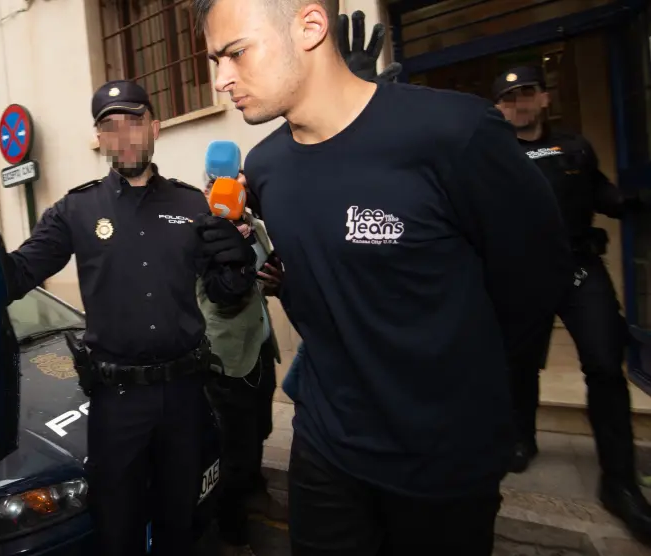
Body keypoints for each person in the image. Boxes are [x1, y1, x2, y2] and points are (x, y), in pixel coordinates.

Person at [195, 1, 574, 555]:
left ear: (310, 26)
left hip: (444, 460)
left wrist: (466, 399)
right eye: (215, 60)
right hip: (326, 448)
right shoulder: (266, 168)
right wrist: (240, 267)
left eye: (235, 53)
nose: (222, 79)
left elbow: (535, 281)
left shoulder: (456, 132)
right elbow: (322, 285)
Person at [0, 80, 256, 556]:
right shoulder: (75, 209)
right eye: (110, 126)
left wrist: (238, 265)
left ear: (154, 128)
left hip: (184, 396)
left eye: (134, 122)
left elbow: (224, 294)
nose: (123, 136)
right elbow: (12, 278)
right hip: (116, 403)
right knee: (117, 532)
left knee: (180, 524)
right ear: (99, 138)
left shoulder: (193, 204)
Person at [494, 65, 651, 537]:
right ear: (498, 108)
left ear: (544, 98)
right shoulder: (490, 154)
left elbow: (602, 194)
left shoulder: (575, 147)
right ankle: (521, 440)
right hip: (523, 277)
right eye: (508, 98)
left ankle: (619, 482)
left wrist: (632, 201)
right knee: (519, 365)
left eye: (527, 93)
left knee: (604, 366)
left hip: (581, 272)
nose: (518, 103)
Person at [199, 171, 280, 556]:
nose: (237, 189)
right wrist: (228, 245)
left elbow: (264, 273)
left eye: (241, 182)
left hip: (260, 346)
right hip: (228, 355)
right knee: (233, 450)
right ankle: (232, 533)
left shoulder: (252, 224)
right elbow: (221, 292)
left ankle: (255, 493)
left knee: (260, 429)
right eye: (225, 182)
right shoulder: (201, 232)